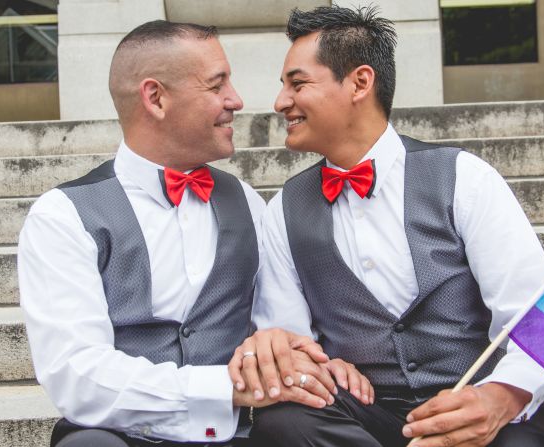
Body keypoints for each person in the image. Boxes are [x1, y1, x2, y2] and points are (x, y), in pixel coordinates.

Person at [234, 6, 544, 447]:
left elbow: (539, 322)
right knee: (285, 425)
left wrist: (499, 398)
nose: (280, 102)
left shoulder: (464, 177)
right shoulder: (283, 209)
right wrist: (313, 366)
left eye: (297, 84)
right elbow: (290, 341)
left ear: (359, 82)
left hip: (482, 405)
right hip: (368, 418)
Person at [18, 20, 344, 447]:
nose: (237, 100)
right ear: (155, 98)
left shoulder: (247, 203)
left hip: (237, 436)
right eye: (216, 85)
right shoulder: (62, 217)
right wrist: (220, 388)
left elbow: (279, 327)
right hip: (120, 437)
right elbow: (77, 375)